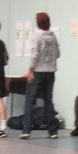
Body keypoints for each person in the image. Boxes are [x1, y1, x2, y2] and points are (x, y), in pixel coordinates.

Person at [20, 11, 60, 140]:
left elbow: (34, 55)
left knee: (30, 101)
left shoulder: (36, 36)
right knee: (48, 101)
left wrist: (31, 70)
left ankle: (26, 130)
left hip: (38, 71)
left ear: (38, 23)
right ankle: (52, 131)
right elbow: (58, 54)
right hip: (51, 72)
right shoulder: (53, 36)